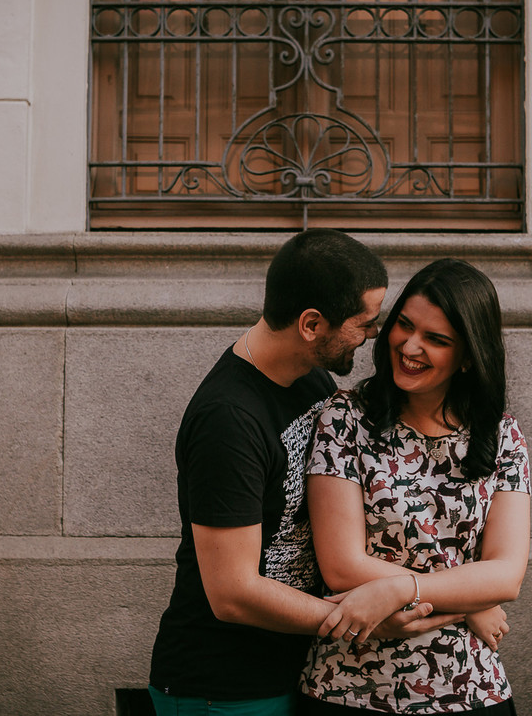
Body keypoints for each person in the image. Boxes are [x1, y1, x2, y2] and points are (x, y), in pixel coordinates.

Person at [149, 229, 455, 716]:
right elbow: (233, 593)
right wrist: (365, 617)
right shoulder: (228, 419)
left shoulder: (309, 378)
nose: (376, 334)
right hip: (224, 688)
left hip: (301, 670)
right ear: (312, 324)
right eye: (364, 322)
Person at [298, 258, 532, 715]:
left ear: (468, 357)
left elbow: (506, 574)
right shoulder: (345, 419)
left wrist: (401, 590)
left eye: (437, 340)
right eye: (404, 325)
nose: (410, 345)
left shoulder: (502, 435)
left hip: (471, 687)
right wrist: (467, 603)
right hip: (349, 686)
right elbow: (342, 567)